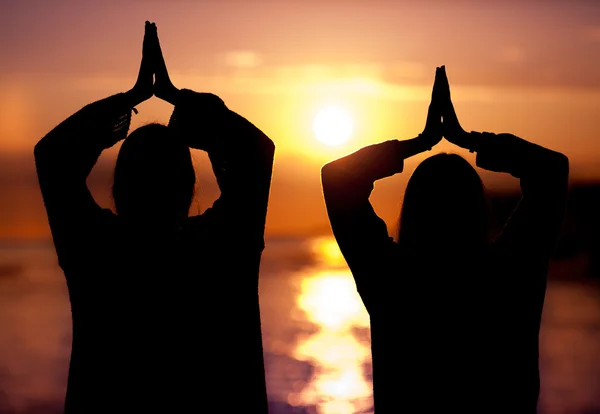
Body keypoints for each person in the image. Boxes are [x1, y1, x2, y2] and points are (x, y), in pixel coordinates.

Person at [34, 22, 274, 413]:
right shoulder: (221, 250)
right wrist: (181, 102)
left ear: (118, 189)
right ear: (189, 188)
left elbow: (52, 158)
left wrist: (126, 103)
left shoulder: (96, 252)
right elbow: (256, 155)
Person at [321, 66, 569, 413]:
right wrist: (470, 139)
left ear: (414, 211)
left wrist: (416, 144)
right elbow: (551, 171)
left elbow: (336, 179)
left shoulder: (392, 280)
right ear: (477, 209)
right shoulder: (510, 274)